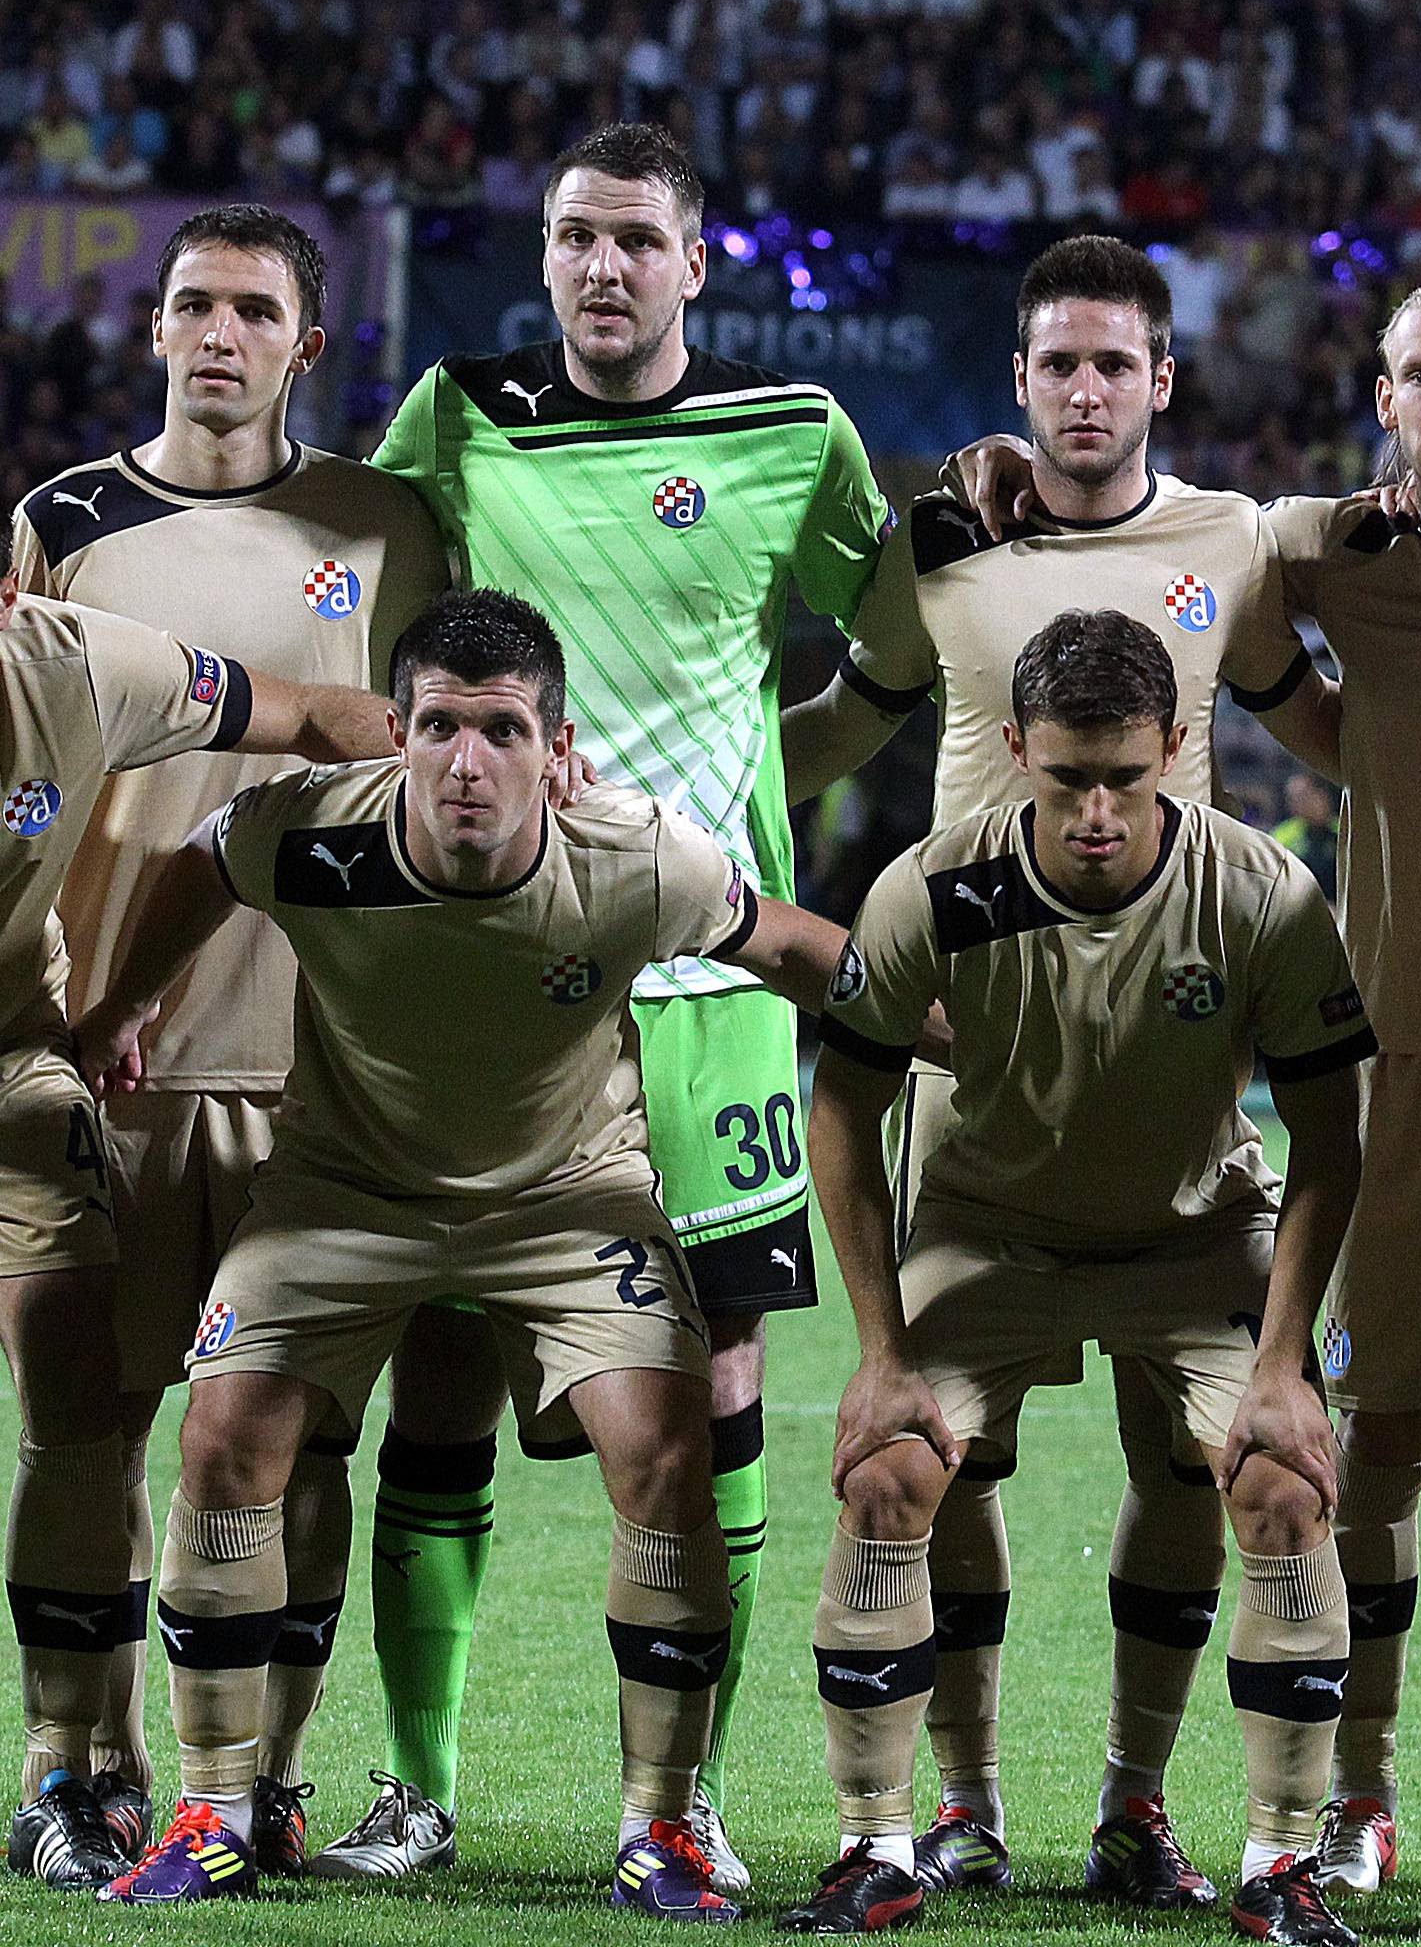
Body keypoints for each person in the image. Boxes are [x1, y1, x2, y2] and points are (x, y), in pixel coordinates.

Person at [956, 276, 1421, 1901]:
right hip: (1409, 1069)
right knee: (1370, 1442)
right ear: (1383, 404)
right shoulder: (1329, 550)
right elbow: (1224, 586)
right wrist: (985, 467)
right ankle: (1362, 1789)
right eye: (1418, 380)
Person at [75, 589, 855, 1914]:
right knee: (221, 1435)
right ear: (397, 731)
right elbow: (200, 865)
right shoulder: (311, 833)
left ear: (559, 748)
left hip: (566, 1204)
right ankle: (209, 1811)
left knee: (669, 1449)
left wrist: (985, 1036)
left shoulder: (633, 855)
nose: (467, 762)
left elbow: (793, 947)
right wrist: (116, 1010)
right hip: (342, 1194)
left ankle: (662, 1827)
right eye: (439, 726)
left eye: (502, 730)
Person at [332, 121, 895, 1887]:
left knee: (719, 1373)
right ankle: (419, 1788)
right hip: (495, 979)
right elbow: (364, 603)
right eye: (575, 237)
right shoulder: (457, 415)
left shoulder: (793, 435)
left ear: (695, 262)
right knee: (442, 1352)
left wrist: (765, 786)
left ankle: (679, 1808)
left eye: (637, 241)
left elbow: (897, 647)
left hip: (710, 981)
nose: (600, 268)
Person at [781, 232, 1331, 1902]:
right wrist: (682, 813)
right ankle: (952, 1808)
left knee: (1214, 1458)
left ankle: (1152, 1808)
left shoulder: (1236, 544)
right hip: (979, 1046)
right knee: (943, 1466)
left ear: (1164, 379)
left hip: (1176, 1044)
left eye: (1116, 363)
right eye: (1056, 365)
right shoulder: (939, 538)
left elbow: (1334, 723)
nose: (1085, 392)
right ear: (1017, 383)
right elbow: (838, 721)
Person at [9, 201, 448, 1876]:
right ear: (151, 330)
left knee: (294, 1436)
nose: (216, 333)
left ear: (305, 346)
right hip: (100, 1044)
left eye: (252, 310)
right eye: (190, 303)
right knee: (87, 1419)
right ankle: (76, 1775)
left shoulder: (387, 524)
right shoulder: (67, 524)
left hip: (323, 1048)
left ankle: (256, 1781)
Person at [0, 587, 396, 1890]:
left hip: (15, 1068)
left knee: (78, 1384)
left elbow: (309, 714)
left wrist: (457, 747)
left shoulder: (73, 661)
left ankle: (70, 1775)